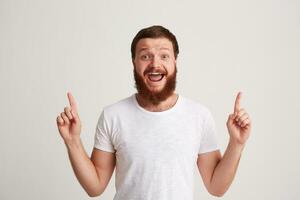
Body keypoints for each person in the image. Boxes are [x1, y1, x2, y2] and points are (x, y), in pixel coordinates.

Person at [56, 25, 252, 200]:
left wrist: (237, 144)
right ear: (134, 62)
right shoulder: (113, 115)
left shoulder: (199, 115)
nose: (155, 64)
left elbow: (216, 187)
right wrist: (73, 141)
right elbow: (95, 187)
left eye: (164, 55)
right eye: (145, 56)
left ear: (175, 61)